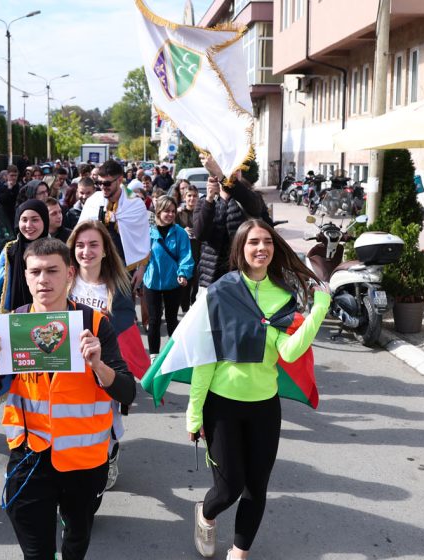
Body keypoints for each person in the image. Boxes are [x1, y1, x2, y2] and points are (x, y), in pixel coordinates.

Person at [0, 238, 136, 560]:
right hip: (30, 457)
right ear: (25, 275)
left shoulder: (94, 324)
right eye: (35, 272)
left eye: (52, 271)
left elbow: (127, 392)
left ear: (70, 274)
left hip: (84, 461)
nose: (43, 279)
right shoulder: (15, 324)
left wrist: (98, 365)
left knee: (76, 541)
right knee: (36, 551)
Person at [188, 219, 330, 559]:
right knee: (229, 487)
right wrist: (194, 412)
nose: (261, 248)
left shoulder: (281, 294)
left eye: (267, 241)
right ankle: (206, 514)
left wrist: (319, 310)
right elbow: (205, 357)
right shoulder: (222, 291)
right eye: (253, 242)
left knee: (256, 486)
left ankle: (239, 552)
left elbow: (289, 352)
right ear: (241, 248)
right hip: (222, 405)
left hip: (265, 406)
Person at [67, 220, 150, 493]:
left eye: (93, 245)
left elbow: (126, 331)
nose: (86, 251)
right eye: (80, 245)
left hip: (103, 368)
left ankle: (109, 456)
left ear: (105, 250)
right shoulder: (63, 281)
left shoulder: (118, 286)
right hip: (68, 369)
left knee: (106, 421)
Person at [0, 200, 49, 353]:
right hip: (16, 317)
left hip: (49, 316)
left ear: (44, 221)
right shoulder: (10, 251)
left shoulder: (55, 249)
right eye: (24, 220)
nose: (29, 225)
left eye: (35, 220)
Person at [194, 154, 270, 288]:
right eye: (230, 170)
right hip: (212, 274)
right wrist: (209, 200)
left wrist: (225, 179)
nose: (235, 173)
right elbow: (200, 234)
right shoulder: (204, 201)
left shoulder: (250, 197)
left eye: (238, 170)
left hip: (244, 272)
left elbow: (254, 206)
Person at [78, 160, 151, 288]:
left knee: (124, 306)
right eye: (99, 183)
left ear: (119, 180)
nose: (102, 187)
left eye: (106, 183)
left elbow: (143, 240)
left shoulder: (135, 204)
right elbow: (80, 233)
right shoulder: (93, 201)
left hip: (125, 268)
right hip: (97, 266)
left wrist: (141, 269)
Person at [143, 196, 194, 358]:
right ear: (158, 211)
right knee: (154, 321)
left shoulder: (180, 232)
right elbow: (140, 256)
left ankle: (174, 355)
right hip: (152, 282)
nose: (171, 214)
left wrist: (183, 273)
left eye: (173, 211)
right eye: (166, 211)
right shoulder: (147, 230)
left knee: (172, 319)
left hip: (173, 282)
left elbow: (186, 255)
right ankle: (154, 357)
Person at [176, 185, 202, 311]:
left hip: (199, 252)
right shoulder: (179, 213)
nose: (192, 199)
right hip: (184, 255)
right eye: (189, 196)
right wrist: (182, 231)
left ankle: (194, 306)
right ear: (184, 197)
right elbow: (172, 231)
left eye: (195, 196)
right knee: (184, 285)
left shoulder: (201, 212)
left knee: (197, 284)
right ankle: (185, 308)